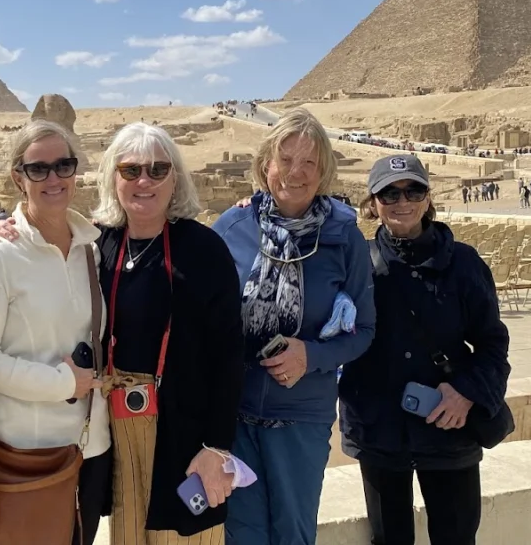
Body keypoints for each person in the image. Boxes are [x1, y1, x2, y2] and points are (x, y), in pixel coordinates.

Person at [0, 122, 245, 544]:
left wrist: (216, 446)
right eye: (130, 170)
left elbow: (229, 355)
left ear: (175, 178)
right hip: (114, 432)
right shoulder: (98, 244)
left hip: (183, 430)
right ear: (112, 178)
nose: (144, 181)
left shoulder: (204, 249)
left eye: (158, 170)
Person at [214, 108, 375, 545]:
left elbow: (363, 330)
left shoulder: (344, 237)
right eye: (285, 160)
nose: (295, 173)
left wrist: (313, 356)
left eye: (309, 162)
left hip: (302, 418)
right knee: (242, 537)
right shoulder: (232, 227)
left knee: (293, 535)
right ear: (266, 163)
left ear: (323, 172)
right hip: (237, 417)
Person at [339, 155, 510, 545]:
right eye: (389, 192)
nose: (402, 201)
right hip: (380, 430)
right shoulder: (356, 263)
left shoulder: (463, 263)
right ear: (372, 202)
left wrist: (466, 392)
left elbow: (492, 343)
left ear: (428, 197)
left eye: (413, 189)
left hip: (450, 428)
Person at [0, 120, 110, 545]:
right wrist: (62, 383)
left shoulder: (92, 249)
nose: (53, 178)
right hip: (29, 453)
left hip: (92, 444)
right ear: (18, 177)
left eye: (63, 165)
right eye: (38, 169)